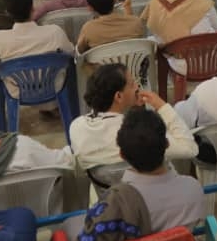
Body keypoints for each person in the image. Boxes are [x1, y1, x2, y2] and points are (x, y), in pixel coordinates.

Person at [57, 106, 206, 241]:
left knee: (66, 232)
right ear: (167, 144)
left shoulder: (115, 204)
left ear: (122, 155)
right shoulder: (193, 189)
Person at [69, 62, 197, 169]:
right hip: (146, 189)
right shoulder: (139, 133)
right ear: (118, 96)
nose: (137, 86)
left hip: (106, 189)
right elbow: (190, 148)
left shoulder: (76, 127)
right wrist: (162, 106)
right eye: (131, 84)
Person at [139, 0, 217, 69]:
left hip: (180, 64)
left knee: (152, 41)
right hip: (211, 60)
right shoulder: (203, 0)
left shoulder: (154, 4)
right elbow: (216, 29)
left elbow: (159, 39)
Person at [76, 0, 146, 53]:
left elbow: (80, 51)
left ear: (90, 7)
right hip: (131, 60)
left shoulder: (88, 29)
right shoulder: (136, 23)